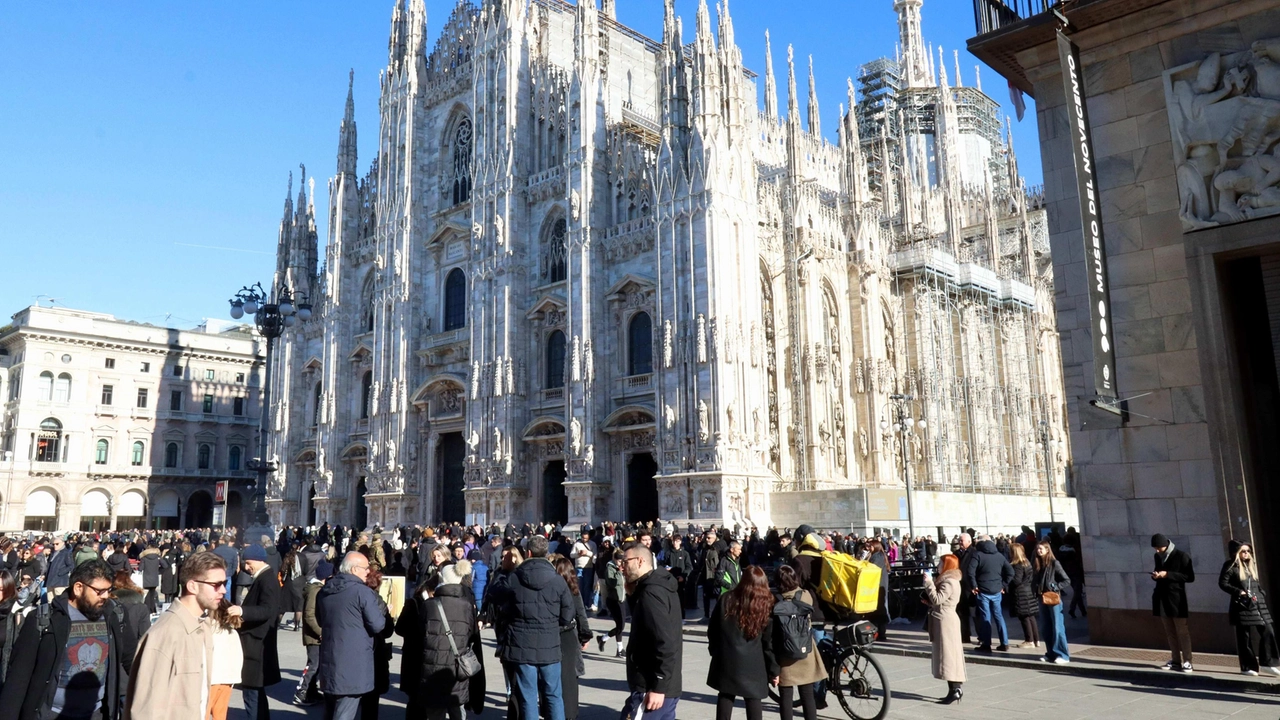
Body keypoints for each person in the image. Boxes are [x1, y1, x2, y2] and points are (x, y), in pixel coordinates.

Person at [0, 559, 128, 720]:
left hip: (97, 713)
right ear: (78, 588)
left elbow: (129, 660)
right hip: (52, 713)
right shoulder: (44, 619)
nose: (106, 596)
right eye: (99, 591)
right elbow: (19, 676)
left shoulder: (113, 616)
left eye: (109, 590)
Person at [123, 551, 226, 720]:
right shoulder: (165, 633)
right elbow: (146, 709)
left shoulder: (204, 625)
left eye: (224, 583)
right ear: (192, 586)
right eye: (216, 584)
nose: (222, 590)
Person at [490, 534, 574, 720]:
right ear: (546, 552)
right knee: (553, 695)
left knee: (527, 696)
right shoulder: (558, 580)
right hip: (550, 645)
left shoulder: (514, 578)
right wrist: (553, 624)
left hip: (521, 645)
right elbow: (568, 614)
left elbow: (495, 597)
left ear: (528, 552)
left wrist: (502, 571)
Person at [315, 552, 387, 720]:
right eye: (365, 568)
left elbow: (320, 620)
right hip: (354, 663)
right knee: (345, 711)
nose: (368, 572)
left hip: (330, 658)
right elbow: (378, 625)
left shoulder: (325, 590)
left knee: (330, 709)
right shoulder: (362, 592)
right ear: (354, 569)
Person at [619, 542, 682, 720]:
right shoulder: (659, 585)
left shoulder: (651, 593)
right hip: (663, 685)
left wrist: (659, 686)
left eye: (625, 562)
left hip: (651, 685)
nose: (621, 566)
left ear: (639, 561)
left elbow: (665, 642)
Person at [706, 565, 777, 720]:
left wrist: (716, 651)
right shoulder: (766, 602)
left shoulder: (726, 598)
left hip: (727, 657)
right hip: (754, 661)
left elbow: (713, 629)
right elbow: (768, 641)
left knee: (726, 695)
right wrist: (774, 669)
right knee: (753, 699)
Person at [1218, 540, 1280, 676]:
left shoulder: (1250, 566)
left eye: (1248, 551)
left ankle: (1268, 663)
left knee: (1268, 630)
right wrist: (1238, 591)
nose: (1247, 554)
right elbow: (1223, 583)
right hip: (1242, 604)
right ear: (1236, 553)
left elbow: (1255, 583)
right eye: (1243, 551)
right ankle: (1247, 666)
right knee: (1244, 636)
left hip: (1258, 603)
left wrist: (1261, 592)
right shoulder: (1230, 566)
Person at [237, 544, 282, 720]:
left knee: (252, 693)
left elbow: (268, 610)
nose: (246, 567)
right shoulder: (263, 578)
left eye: (248, 563)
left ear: (258, 559)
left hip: (256, 643)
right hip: (256, 642)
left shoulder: (267, 579)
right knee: (255, 692)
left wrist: (242, 612)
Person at [773, 566, 824, 720]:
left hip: (785, 651)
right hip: (805, 649)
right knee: (807, 693)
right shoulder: (806, 595)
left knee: (786, 695)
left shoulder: (776, 600)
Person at [553, 557, 594, 720]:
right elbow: (581, 614)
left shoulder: (553, 588)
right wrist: (585, 636)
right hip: (569, 636)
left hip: (554, 635)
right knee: (570, 678)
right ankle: (570, 713)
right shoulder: (573, 590)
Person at [921, 553, 965, 704]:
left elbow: (938, 599)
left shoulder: (949, 582)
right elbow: (939, 602)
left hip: (945, 621)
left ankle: (955, 690)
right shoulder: (949, 580)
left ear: (947, 566)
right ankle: (953, 690)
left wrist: (928, 583)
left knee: (949, 656)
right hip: (943, 618)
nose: (938, 566)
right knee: (947, 655)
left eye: (940, 564)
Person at [1150, 533, 1195, 672]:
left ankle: (1188, 661)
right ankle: (1175, 660)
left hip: (1177, 599)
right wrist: (1156, 576)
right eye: (1155, 548)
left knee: (1182, 631)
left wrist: (1168, 574)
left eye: (1159, 547)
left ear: (1166, 545)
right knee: (1170, 632)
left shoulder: (1182, 556)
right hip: (1162, 598)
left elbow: (1189, 577)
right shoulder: (1158, 556)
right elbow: (1159, 571)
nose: (1157, 550)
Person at [294, 559, 332, 707]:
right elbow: (309, 615)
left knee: (318, 665)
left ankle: (311, 690)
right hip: (314, 636)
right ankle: (301, 691)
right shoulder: (315, 590)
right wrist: (320, 631)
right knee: (313, 664)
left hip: (317, 634)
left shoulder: (317, 589)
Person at [965, 534, 1013, 652]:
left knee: (985, 616)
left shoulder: (978, 555)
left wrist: (974, 586)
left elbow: (970, 572)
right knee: (999, 616)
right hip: (997, 589)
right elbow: (1010, 572)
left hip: (982, 589)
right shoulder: (999, 555)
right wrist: (1003, 585)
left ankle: (986, 644)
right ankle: (1004, 642)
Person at [1034, 540, 1071, 665]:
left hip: (1053, 599)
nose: (1039, 551)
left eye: (1041, 549)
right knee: (1046, 627)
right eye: (1038, 549)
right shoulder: (1038, 564)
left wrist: (1055, 586)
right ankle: (1050, 653)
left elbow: (1066, 580)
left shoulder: (1054, 563)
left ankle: (1062, 654)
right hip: (1042, 597)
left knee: (1057, 627)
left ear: (1047, 550)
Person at [208, 599, 245, 720]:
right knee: (220, 714)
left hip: (211, 679)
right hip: (227, 679)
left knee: (203, 713)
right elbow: (238, 657)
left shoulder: (208, 630)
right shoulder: (232, 632)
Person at [1008, 543, 1040, 648]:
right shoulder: (1027, 562)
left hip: (1020, 593)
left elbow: (1016, 580)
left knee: (1024, 617)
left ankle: (1029, 640)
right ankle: (1036, 640)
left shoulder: (1017, 565)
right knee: (1031, 616)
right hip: (1028, 591)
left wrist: (1008, 579)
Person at [596, 548, 627, 657]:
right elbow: (613, 583)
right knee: (620, 626)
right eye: (619, 561)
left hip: (621, 599)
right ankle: (616, 647)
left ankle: (609, 643)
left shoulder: (621, 567)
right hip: (613, 600)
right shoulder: (610, 568)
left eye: (622, 561)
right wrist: (619, 572)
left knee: (620, 625)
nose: (620, 563)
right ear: (614, 559)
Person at [138, 543, 166, 614]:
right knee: (152, 594)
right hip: (154, 578)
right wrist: (159, 570)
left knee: (147, 595)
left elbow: (140, 568)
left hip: (146, 578)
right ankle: (153, 609)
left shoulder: (144, 558)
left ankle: (148, 610)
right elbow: (165, 565)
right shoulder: (157, 557)